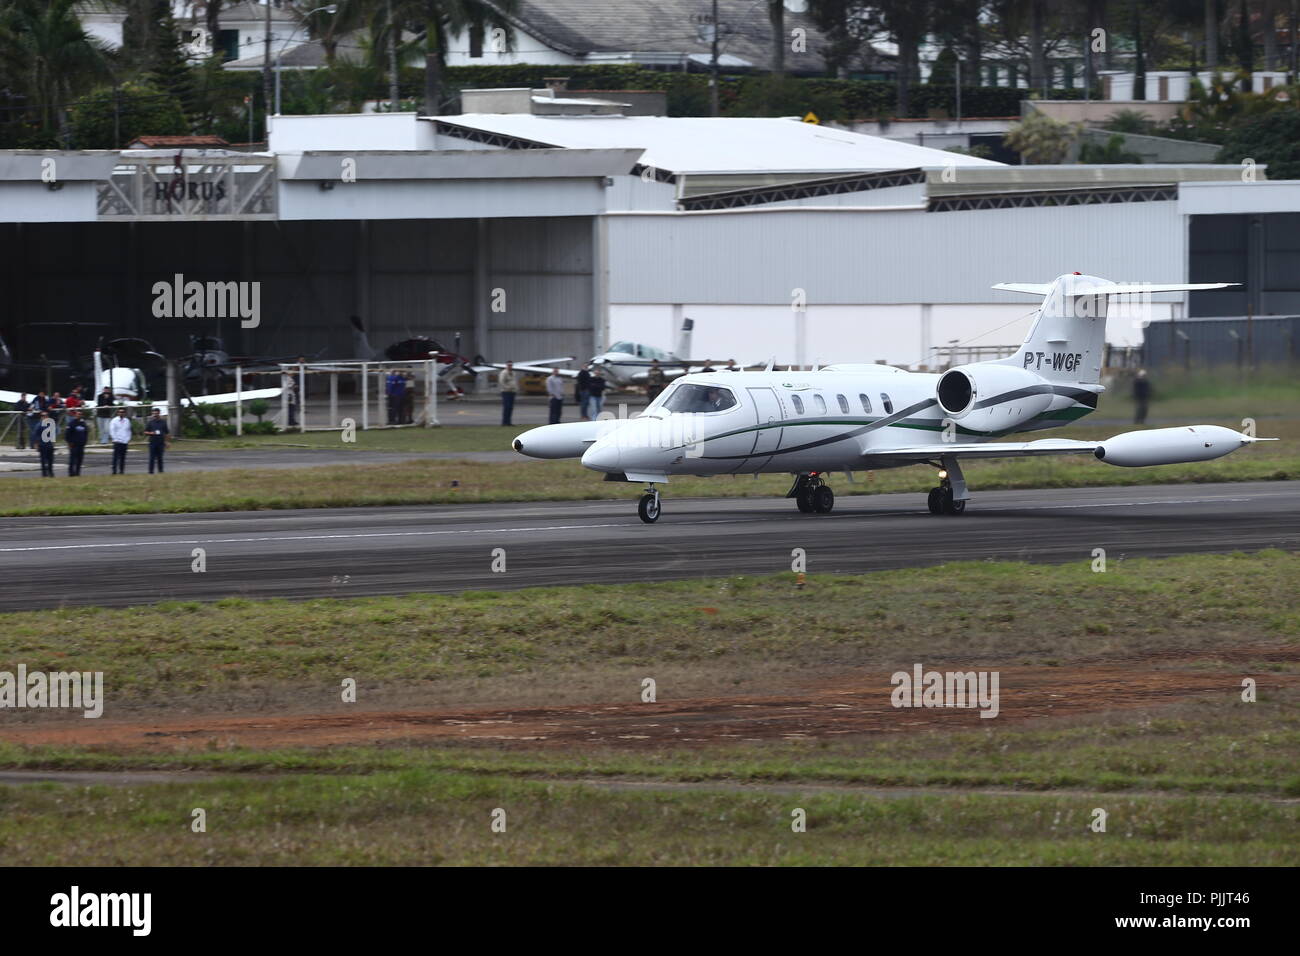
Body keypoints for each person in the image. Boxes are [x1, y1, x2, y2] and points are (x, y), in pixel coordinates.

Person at [64, 408, 89, 476]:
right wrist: (69, 442)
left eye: (80, 414)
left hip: (81, 445)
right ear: (75, 415)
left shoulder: (83, 423)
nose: (79, 415)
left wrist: (85, 442)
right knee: (72, 460)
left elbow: (86, 433)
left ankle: (78, 473)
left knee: (79, 460)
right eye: (78, 414)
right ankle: (71, 473)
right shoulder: (71, 423)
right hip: (73, 445)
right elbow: (67, 434)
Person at [145, 407, 170, 474]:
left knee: (160, 458)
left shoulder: (163, 422)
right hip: (153, 442)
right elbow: (145, 432)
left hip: (161, 442)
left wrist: (167, 442)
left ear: (159, 413)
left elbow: (166, 433)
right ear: (152, 413)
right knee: (152, 458)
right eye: (154, 413)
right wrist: (151, 433)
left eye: (156, 413)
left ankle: (160, 471)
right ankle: (151, 471)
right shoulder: (150, 422)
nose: (155, 414)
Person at [109, 407, 132, 474]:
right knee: (115, 457)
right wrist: (115, 439)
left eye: (123, 412)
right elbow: (112, 431)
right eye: (120, 412)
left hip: (124, 441)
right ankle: (114, 471)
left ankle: (121, 471)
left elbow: (129, 430)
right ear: (118, 413)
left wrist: (128, 439)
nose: (121, 413)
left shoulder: (127, 420)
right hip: (117, 441)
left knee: (123, 457)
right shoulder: (114, 420)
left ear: (124, 413)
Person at [35, 411, 56, 477]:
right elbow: (36, 435)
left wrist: (53, 444)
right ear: (41, 417)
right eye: (43, 416)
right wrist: (36, 445)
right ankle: (44, 474)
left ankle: (50, 472)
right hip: (42, 445)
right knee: (43, 460)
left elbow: (53, 435)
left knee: (50, 460)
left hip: (49, 445)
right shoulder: (38, 425)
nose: (44, 417)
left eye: (46, 416)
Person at [498, 361, 518, 426]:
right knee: (507, 407)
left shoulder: (513, 372)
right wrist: (507, 388)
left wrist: (515, 388)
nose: (510, 366)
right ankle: (504, 422)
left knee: (510, 408)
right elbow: (501, 382)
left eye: (511, 365)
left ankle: (509, 422)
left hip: (512, 391)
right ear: (506, 365)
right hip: (506, 392)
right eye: (509, 365)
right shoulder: (504, 372)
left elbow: (514, 381)